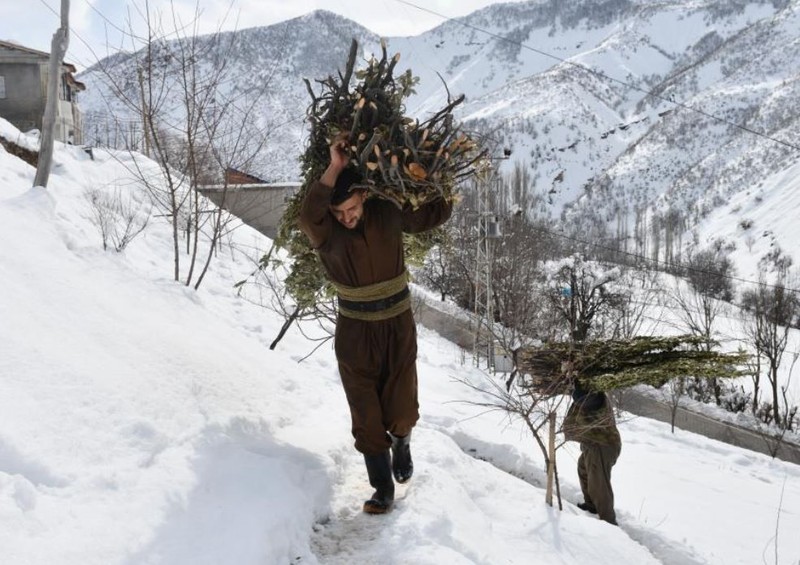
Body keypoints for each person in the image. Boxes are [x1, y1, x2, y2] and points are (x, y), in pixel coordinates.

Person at [298, 135, 453, 514]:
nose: (346, 218)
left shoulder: (387, 212)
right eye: (339, 214)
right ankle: (382, 487)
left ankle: (402, 442)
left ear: (364, 198)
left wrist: (435, 176)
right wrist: (334, 167)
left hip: (398, 326)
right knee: (366, 415)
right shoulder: (327, 234)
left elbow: (433, 214)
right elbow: (308, 217)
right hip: (355, 333)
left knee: (400, 408)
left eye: (350, 209)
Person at [562, 381, 622, 525]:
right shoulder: (592, 393)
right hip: (593, 443)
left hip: (602, 445)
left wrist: (573, 383)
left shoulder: (595, 398)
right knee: (583, 469)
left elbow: (582, 398)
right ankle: (592, 505)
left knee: (599, 484)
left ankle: (608, 521)